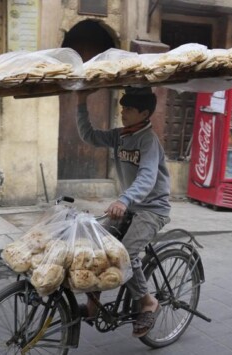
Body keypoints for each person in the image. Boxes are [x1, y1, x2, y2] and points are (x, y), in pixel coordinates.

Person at [75, 87, 171, 338]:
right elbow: (89, 136)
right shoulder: (121, 135)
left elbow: (147, 176)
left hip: (152, 209)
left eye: (128, 109)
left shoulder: (148, 140)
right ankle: (93, 304)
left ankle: (147, 301)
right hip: (130, 205)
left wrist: (125, 199)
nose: (123, 112)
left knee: (125, 254)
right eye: (123, 107)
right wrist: (81, 102)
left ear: (145, 113)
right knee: (97, 246)